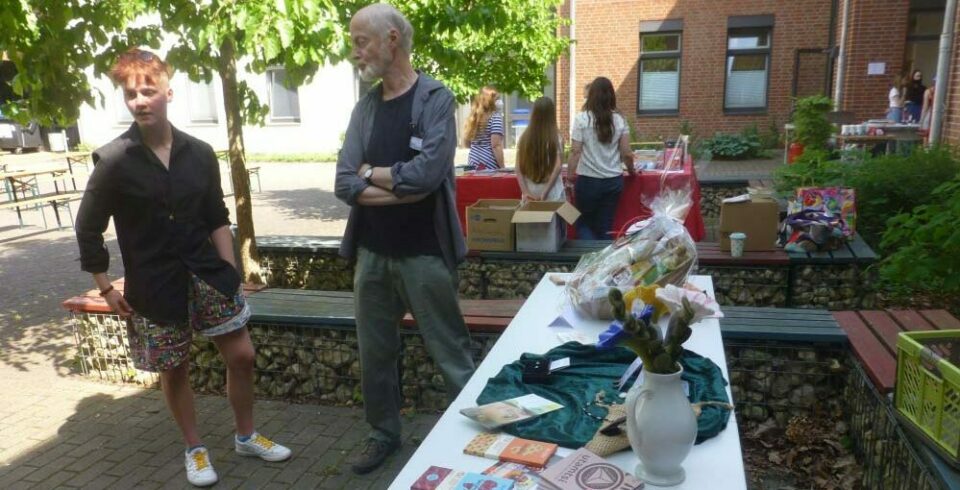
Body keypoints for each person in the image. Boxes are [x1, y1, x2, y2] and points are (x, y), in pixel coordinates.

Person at [74, 48, 290, 488]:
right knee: (174, 369)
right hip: (154, 285)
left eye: (148, 91)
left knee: (243, 356)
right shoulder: (113, 161)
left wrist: (229, 271)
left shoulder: (200, 153)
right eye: (131, 94)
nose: (140, 101)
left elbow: (216, 216)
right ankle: (194, 447)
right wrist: (107, 288)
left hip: (210, 276)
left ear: (168, 92)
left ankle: (246, 435)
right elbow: (87, 228)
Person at [335, 3, 476, 475]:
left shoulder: (436, 99)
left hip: (425, 255)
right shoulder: (366, 107)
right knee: (375, 355)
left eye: (361, 41)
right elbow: (343, 182)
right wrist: (401, 188)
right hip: (372, 256)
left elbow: (430, 174)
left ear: (391, 39)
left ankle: (476, 439)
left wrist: (372, 174)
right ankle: (383, 435)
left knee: (452, 354)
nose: (354, 51)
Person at [566, 77, 635, 240]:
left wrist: (569, 176)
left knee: (583, 223)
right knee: (606, 226)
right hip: (613, 181)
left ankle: (589, 261)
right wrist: (631, 170)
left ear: (591, 95)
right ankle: (604, 263)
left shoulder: (581, 119)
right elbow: (626, 153)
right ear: (612, 96)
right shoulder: (620, 120)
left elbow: (575, 152)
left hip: (588, 181)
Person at [516, 96, 564, 202]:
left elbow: (518, 168)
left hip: (531, 191)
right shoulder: (556, 137)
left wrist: (525, 192)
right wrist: (545, 192)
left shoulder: (524, 137)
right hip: (552, 194)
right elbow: (557, 167)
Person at [463, 85, 505, 170]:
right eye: (497, 99)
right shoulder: (495, 117)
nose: (500, 102)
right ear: (490, 101)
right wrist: (503, 167)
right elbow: (496, 145)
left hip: (473, 163)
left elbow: (467, 143)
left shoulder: (473, 117)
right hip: (489, 164)